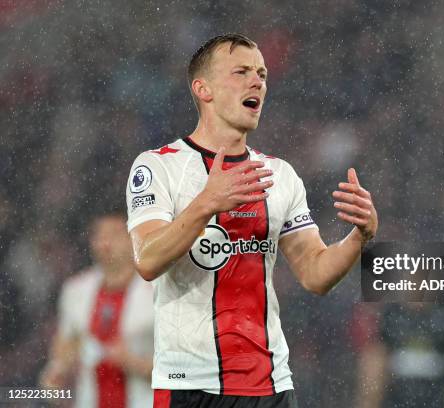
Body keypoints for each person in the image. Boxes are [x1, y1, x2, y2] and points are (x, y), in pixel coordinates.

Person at [126, 33, 378, 408]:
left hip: (271, 384)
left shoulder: (280, 175)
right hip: (189, 384)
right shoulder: (157, 166)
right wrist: (207, 203)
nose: (257, 81)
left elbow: (315, 273)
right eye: (241, 71)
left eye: (261, 73)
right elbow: (148, 260)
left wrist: (359, 236)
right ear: (203, 89)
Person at [40, 212, 154, 408]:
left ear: (134, 239)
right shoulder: (75, 290)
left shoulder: (158, 289)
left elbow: (182, 365)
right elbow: (66, 345)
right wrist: (58, 371)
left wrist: (134, 363)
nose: (105, 243)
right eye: (99, 235)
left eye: (114, 235)